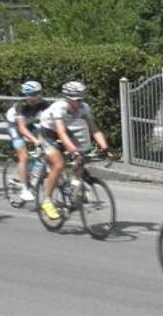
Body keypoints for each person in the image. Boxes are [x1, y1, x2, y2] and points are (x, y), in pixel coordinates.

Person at [36, 80, 111, 224]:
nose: (80, 103)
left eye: (82, 99)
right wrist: (73, 151)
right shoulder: (60, 107)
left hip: (64, 131)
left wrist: (106, 147)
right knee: (58, 164)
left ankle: (74, 186)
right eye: (77, 100)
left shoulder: (84, 107)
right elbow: (61, 132)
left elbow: (94, 129)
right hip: (47, 132)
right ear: (67, 99)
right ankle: (46, 201)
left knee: (80, 157)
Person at [5, 80, 51, 204]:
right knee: (23, 155)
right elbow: (22, 129)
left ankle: (45, 195)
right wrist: (35, 141)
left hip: (31, 125)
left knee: (45, 150)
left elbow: (47, 125)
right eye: (34, 94)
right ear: (26, 95)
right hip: (15, 127)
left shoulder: (44, 104)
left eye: (38, 93)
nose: (37, 97)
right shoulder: (20, 105)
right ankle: (24, 189)